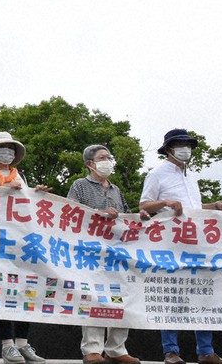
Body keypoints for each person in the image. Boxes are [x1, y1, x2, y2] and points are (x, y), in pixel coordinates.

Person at [139, 129, 222, 364]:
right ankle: (171, 351)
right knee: (173, 296)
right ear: (168, 149)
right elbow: (144, 205)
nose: (185, 148)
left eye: (188, 144)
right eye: (180, 144)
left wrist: (216, 205)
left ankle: (206, 351)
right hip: (171, 244)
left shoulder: (191, 176)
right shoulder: (157, 174)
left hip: (197, 244)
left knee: (202, 295)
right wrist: (166, 202)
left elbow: (196, 207)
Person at [0, 131, 48, 364]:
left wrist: (35, 194)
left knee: (25, 291)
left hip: (22, 241)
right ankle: (7, 345)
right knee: (3, 291)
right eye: (2, 148)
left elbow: (26, 205)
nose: (7, 152)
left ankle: (22, 343)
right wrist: (8, 190)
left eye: (10, 148)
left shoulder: (21, 176)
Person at [67, 145, 140, 364]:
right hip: (90, 251)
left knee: (121, 299)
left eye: (109, 156)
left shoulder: (116, 189)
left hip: (117, 252)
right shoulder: (79, 185)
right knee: (94, 297)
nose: (108, 160)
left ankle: (116, 349)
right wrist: (99, 215)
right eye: (102, 158)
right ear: (90, 164)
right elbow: (70, 213)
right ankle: (92, 349)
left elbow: (126, 215)